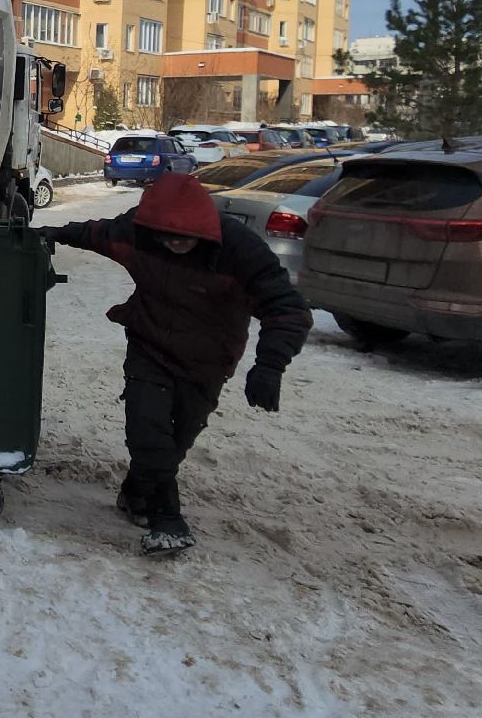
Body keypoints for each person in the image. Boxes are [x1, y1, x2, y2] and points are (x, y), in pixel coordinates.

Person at [37, 172, 311, 555]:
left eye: (184, 236)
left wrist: (270, 366)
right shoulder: (136, 232)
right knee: (148, 433)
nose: (174, 242)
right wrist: (55, 233)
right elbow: (96, 233)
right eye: (165, 235)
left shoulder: (239, 251)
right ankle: (168, 519)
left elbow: (288, 309)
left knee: (176, 441)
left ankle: (136, 493)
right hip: (149, 347)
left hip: (207, 362)